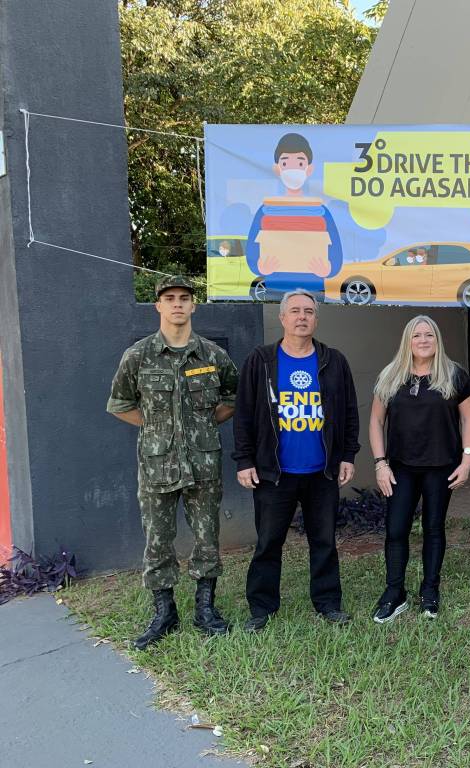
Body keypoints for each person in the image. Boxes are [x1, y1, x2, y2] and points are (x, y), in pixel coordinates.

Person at [106, 275, 238, 650]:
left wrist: (203, 426)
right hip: (157, 465)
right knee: (157, 542)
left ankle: (205, 610)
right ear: (158, 306)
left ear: (193, 305)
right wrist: (157, 428)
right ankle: (165, 613)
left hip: (202, 465)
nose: (177, 303)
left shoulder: (213, 356)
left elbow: (233, 397)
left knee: (207, 539)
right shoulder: (139, 356)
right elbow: (119, 404)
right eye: (169, 298)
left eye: (184, 297)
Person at [232, 289, 360, 631]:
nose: (302, 316)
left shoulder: (334, 361)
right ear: (282, 318)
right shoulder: (261, 361)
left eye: (308, 311)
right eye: (295, 311)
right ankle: (261, 608)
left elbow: (349, 411)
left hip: (322, 472)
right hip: (274, 473)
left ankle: (328, 603)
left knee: (324, 541)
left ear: (316, 319)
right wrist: (244, 460)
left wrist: (348, 455)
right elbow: (243, 414)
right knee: (268, 542)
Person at [368, 315, 470, 622]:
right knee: (396, 529)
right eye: (417, 335)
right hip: (400, 467)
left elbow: (469, 420)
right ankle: (395, 593)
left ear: (437, 339)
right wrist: (380, 464)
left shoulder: (454, 375)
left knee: (433, 528)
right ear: (408, 341)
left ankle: (430, 590)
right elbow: (376, 421)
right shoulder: (391, 375)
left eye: (429, 334)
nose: (424, 340)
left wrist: (467, 460)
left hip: (441, 467)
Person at [245, 132, 344, 295]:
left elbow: (335, 249)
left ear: (309, 169)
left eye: (300, 163)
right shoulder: (266, 210)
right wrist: (259, 267)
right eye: (285, 163)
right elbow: (252, 248)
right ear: (277, 168)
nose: (293, 170)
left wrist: (329, 269)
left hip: (314, 289)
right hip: (276, 287)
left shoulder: (320, 211)